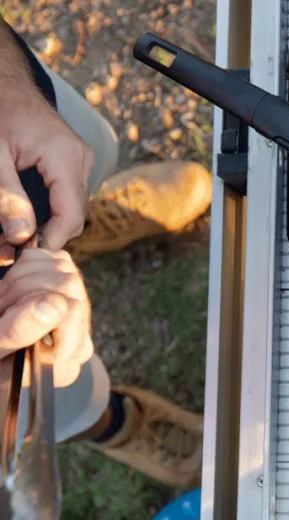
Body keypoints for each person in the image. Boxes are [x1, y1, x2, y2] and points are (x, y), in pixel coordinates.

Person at [0, 19, 210, 487]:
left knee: (84, 147)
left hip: (12, 137)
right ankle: (117, 422)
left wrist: (9, 88)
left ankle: (77, 226)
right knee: (57, 393)